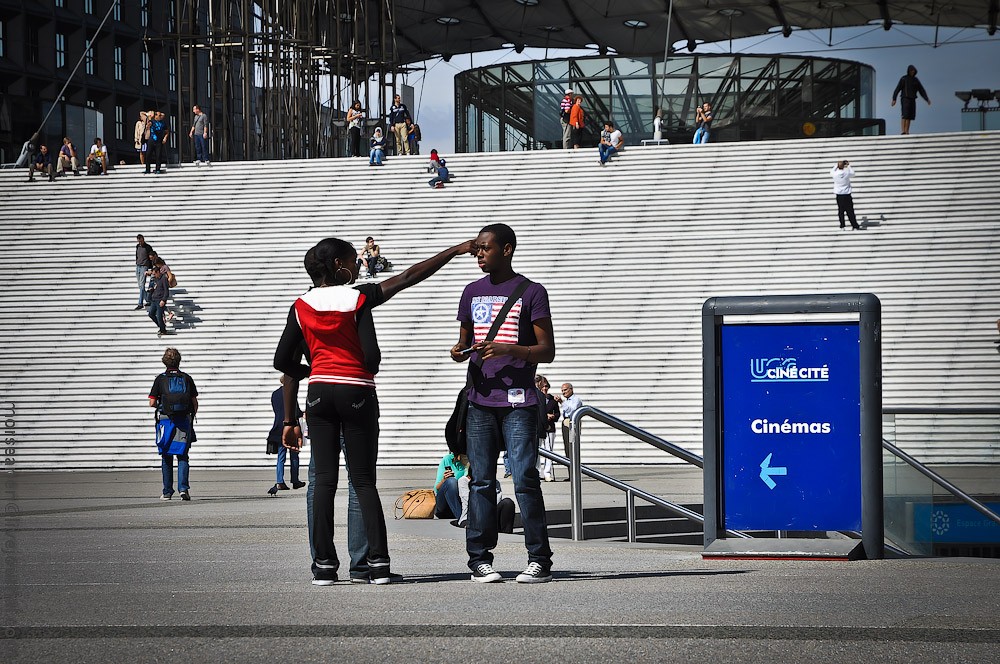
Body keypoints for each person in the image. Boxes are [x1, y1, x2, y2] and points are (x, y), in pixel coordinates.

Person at [274, 236, 477, 586]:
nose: (358, 266)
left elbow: (283, 361)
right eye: (354, 260)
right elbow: (407, 280)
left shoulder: (300, 305)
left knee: (323, 482)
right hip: (356, 392)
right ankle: (376, 565)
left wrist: (311, 377)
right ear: (339, 265)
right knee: (363, 481)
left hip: (319, 394)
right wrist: (454, 250)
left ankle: (324, 567)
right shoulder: (358, 298)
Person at [450, 222, 556, 584]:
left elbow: (547, 350)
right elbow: (465, 341)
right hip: (480, 400)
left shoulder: (532, 292)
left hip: (519, 402)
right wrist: (458, 351)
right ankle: (479, 559)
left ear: (506, 249)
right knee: (480, 481)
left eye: (485, 248)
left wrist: (510, 349)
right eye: (477, 249)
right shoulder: (471, 291)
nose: (478, 254)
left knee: (525, 478)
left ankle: (539, 559)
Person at [149, 347, 198, 501]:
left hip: (165, 421)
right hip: (183, 421)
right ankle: (183, 489)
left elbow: (152, 403)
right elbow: (194, 402)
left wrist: (163, 406)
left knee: (166, 456)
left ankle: (167, 492)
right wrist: (190, 416)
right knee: (183, 456)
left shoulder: (160, 379)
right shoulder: (186, 378)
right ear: (179, 361)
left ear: (164, 361)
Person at [267, 375, 304, 494]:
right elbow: (295, 411)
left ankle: (280, 481)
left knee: (281, 457)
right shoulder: (290, 392)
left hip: (278, 427)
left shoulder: (274, 394)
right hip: (291, 427)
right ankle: (295, 480)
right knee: (294, 455)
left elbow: (277, 410)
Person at [891, 64, 931, 135]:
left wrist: (927, 99)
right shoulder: (904, 78)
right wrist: (894, 99)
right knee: (905, 114)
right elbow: (897, 89)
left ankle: (907, 131)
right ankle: (903, 131)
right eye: (911, 71)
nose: (912, 72)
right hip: (905, 98)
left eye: (913, 71)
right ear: (908, 71)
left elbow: (921, 90)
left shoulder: (916, 80)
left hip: (912, 99)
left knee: (910, 116)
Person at [535, 375, 559, 482]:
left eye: (547, 387)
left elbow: (558, 414)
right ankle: (537, 471)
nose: (545, 388)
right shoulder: (536, 397)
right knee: (538, 450)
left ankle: (547, 472)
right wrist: (545, 416)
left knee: (549, 451)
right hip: (540, 427)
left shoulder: (552, 399)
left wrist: (553, 416)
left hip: (550, 427)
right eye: (543, 386)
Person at [434, 451, 469, 522]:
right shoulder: (447, 459)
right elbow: (436, 488)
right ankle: (462, 519)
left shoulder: (471, 461)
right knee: (451, 481)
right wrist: (444, 480)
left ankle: (464, 516)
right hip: (445, 506)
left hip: (463, 503)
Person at [555, 382, 583, 468]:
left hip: (572, 423)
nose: (563, 392)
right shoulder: (566, 401)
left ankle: (574, 469)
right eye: (562, 391)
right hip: (565, 422)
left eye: (565, 390)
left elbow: (571, 411)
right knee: (567, 447)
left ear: (571, 389)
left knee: (572, 445)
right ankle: (570, 470)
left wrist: (561, 402)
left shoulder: (576, 400)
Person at [831, 160, 862, 231]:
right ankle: (854, 225)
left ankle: (842, 226)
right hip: (847, 194)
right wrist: (848, 166)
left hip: (839, 194)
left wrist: (836, 165)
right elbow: (853, 173)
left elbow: (831, 171)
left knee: (841, 211)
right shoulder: (847, 173)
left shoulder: (835, 174)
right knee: (850, 211)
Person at [148, 263, 170, 337]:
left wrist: (163, 300)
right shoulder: (155, 279)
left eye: (155, 274)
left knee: (159, 316)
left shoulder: (164, 278)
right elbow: (155, 287)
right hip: (154, 299)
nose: (154, 275)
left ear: (158, 272)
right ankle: (161, 326)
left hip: (160, 300)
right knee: (151, 314)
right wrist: (151, 290)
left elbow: (166, 291)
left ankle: (163, 330)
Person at [135, 234, 155, 310]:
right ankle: (148, 299)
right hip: (138, 266)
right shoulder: (137, 246)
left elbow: (151, 257)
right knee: (140, 285)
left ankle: (140, 303)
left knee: (142, 285)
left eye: (141, 241)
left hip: (144, 266)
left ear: (143, 239)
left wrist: (151, 267)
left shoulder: (148, 247)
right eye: (139, 241)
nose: (140, 242)